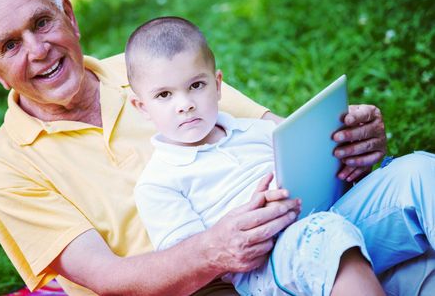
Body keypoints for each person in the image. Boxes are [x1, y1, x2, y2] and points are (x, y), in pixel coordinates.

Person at [0, 0, 434, 295]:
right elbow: (107, 279)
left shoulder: (157, 66)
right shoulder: (4, 168)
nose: (37, 50)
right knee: (344, 254)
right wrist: (215, 251)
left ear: (68, 16)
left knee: (420, 185)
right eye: (9, 45)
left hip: (300, 231)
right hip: (222, 283)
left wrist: (345, 141)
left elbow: (282, 136)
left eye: (41, 22)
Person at [126, 16, 385, 295]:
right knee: (326, 233)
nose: (185, 105)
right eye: (164, 95)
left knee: (416, 170)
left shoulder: (260, 130)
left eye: (196, 86)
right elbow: (193, 262)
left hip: (324, 212)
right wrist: (253, 222)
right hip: (263, 267)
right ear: (141, 107)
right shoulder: (157, 183)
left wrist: (341, 157)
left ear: (218, 84)